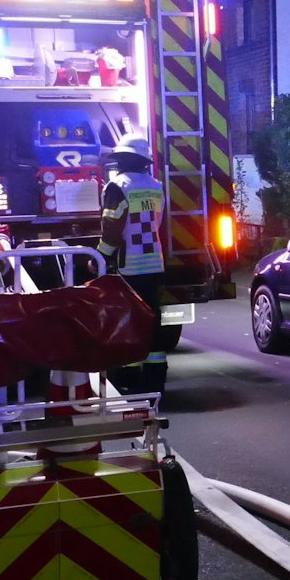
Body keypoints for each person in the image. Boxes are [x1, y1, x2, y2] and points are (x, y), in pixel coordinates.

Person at [96, 136, 168, 395]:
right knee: (152, 325)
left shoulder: (118, 187)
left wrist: (100, 257)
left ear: (123, 160)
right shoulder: (156, 186)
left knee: (128, 323)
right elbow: (157, 223)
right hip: (154, 265)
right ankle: (155, 382)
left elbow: (112, 229)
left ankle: (128, 380)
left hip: (128, 268)